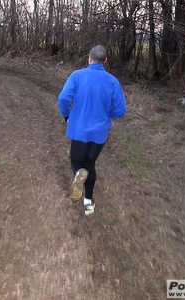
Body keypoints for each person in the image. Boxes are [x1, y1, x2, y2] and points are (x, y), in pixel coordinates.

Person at [57, 45, 127, 216]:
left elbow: (62, 99)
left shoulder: (77, 76)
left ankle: (78, 174)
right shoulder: (112, 81)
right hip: (99, 133)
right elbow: (121, 110)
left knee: (76, 162)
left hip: (79, 130)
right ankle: (88, 203)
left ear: (89, 58)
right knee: (90, 164)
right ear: (105, 61)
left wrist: (67, 116)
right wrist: (106, 113)